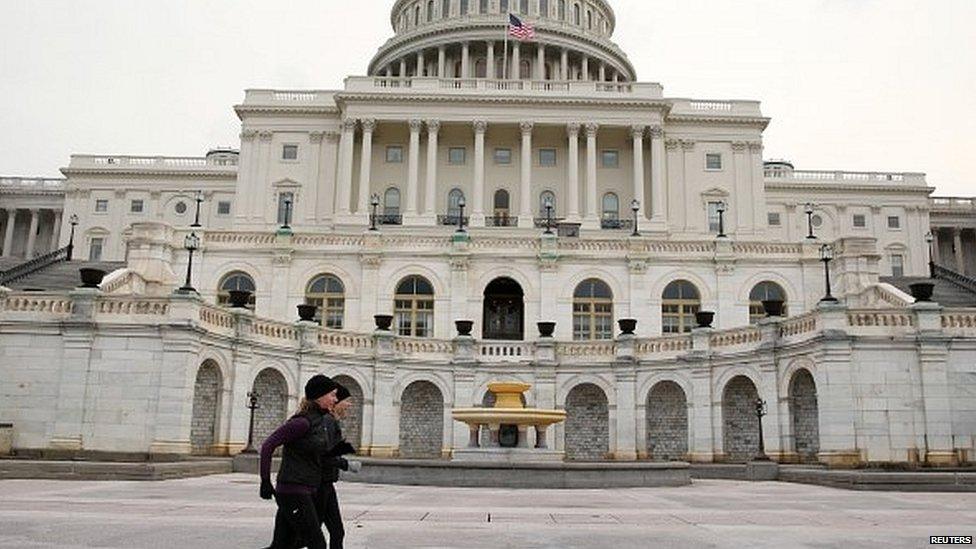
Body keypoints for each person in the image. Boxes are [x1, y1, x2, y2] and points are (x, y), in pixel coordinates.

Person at [259, 374, 340, 549]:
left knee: (282, 545)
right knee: (317, 544)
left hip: (306, 490)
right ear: (320, 395)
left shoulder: (320, 422)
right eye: (332, 394)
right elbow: (268, 445)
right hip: (293, 491)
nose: (335, 399)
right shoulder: (302, 422)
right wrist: (265, 481)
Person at [315, 384, 359, 549]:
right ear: (337, 402)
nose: (350, 404)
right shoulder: (328, 422)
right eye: (347, 400)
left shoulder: (331, 421)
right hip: (320, 484)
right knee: (313, 535)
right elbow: (326, 454)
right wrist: (346, 464)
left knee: (336, 531)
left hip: (327, 483)